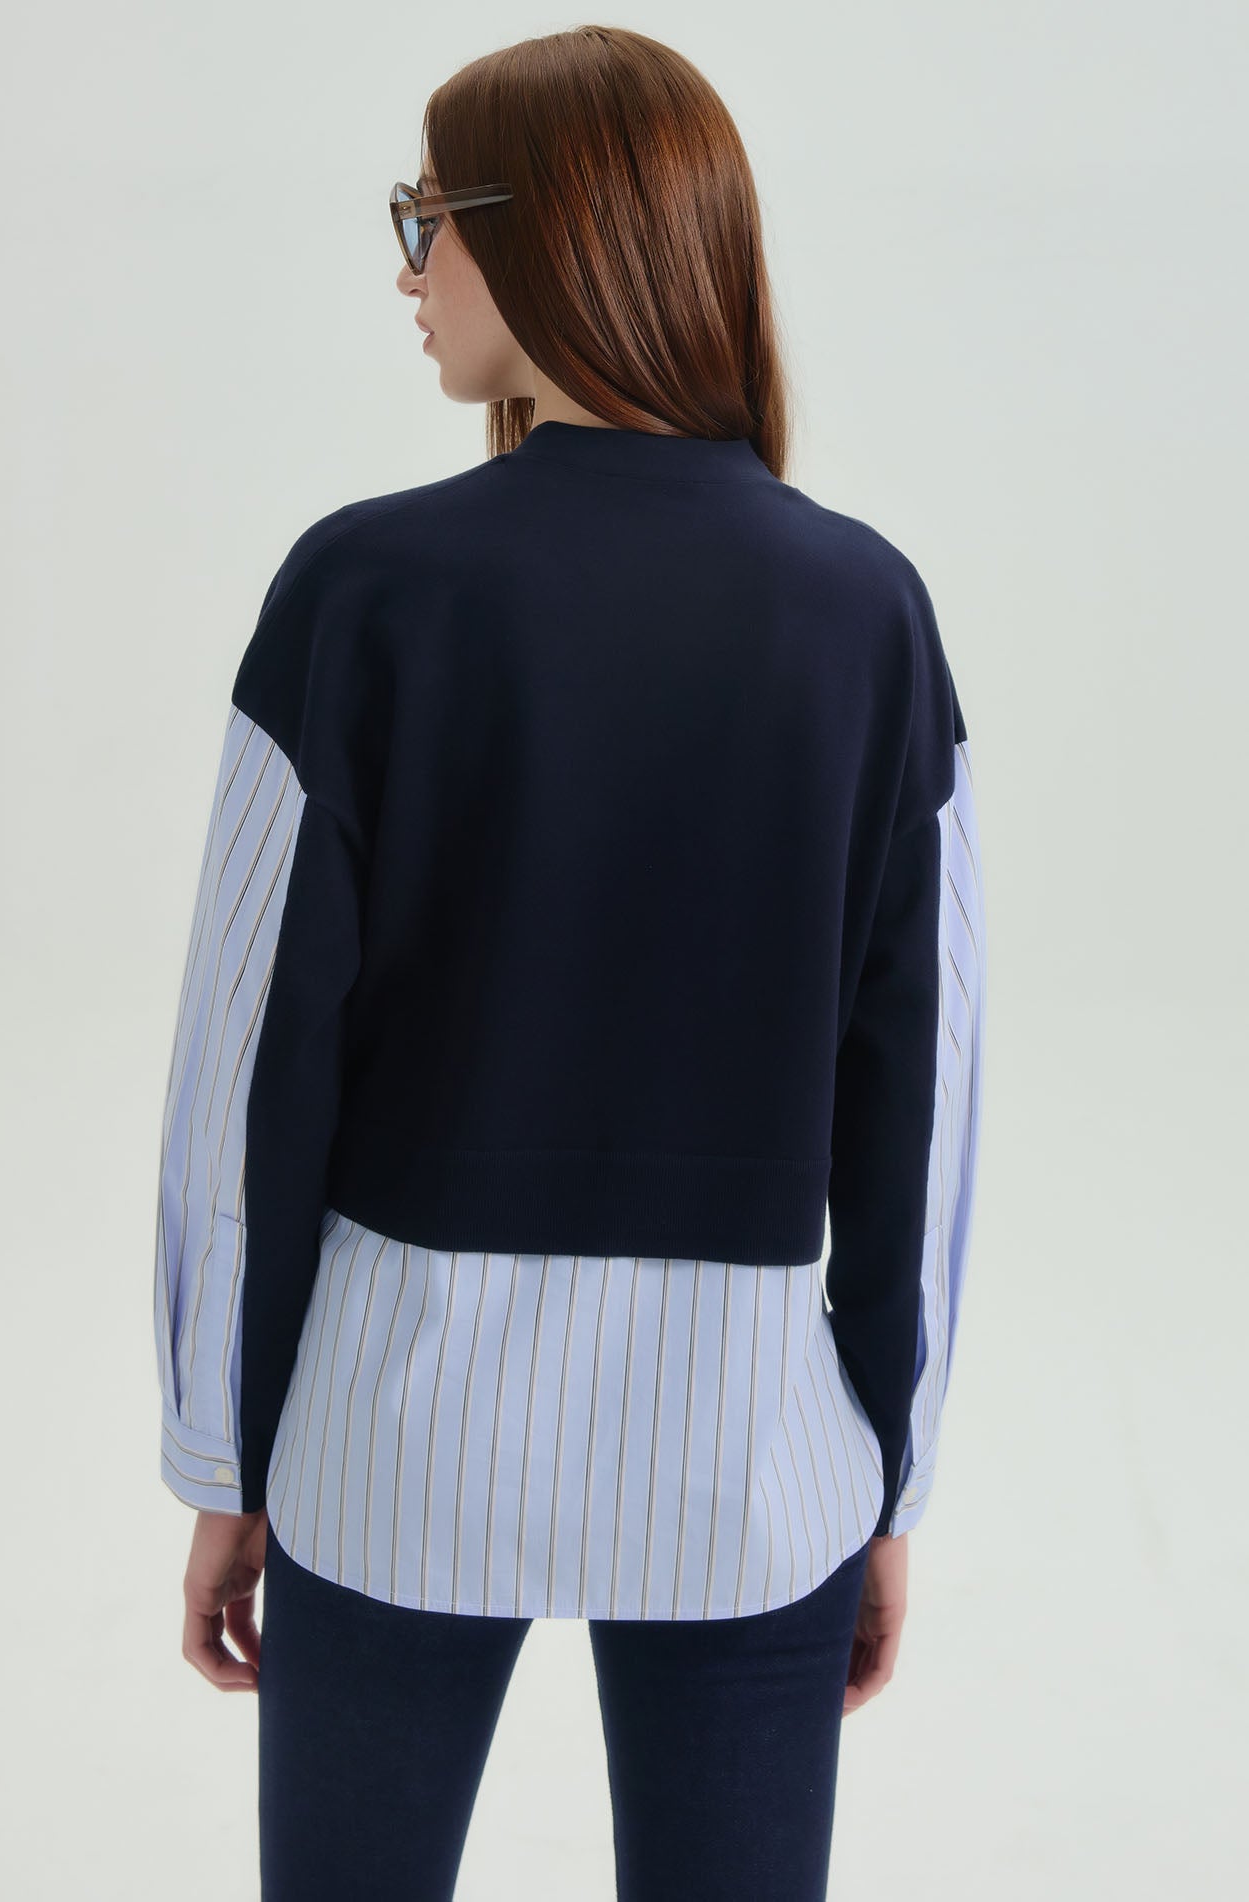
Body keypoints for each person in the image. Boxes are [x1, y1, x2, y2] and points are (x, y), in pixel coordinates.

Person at [153, 24, 986, 1900]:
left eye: (425, 214)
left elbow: (248, 1071)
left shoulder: (363, 590)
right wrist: (889, 1474)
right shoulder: (867, 611)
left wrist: (225, 1455)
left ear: (551, 231)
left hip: (390, 1436)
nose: (408, 266)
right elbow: (923, 1093)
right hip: (748, 1464)